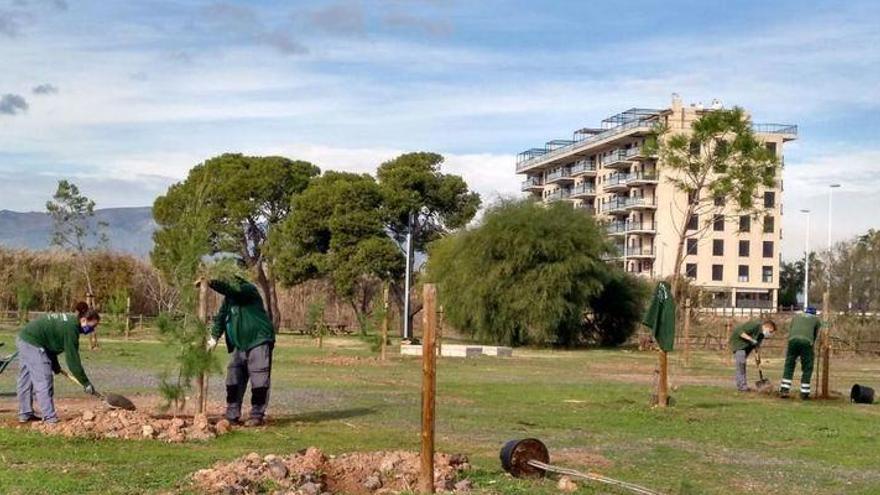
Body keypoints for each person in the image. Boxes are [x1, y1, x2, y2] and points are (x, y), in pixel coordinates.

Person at [207, 276, 275, 427]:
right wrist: (213, 338)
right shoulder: (228, 300)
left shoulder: (248, 290)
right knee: (233, 379)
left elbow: (233, 290)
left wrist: (211, 281)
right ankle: (232, 415)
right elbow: (220, 318)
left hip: (259, 340)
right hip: (240, 346)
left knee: (259, 380)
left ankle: (257, 415)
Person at [16, 302, 100, 424]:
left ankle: (25, 413)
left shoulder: (70, 322)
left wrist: (55, 364)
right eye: (92, 326)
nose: (92, 330)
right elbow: (73, 361)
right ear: (83, 320)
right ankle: (50, 418)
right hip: (33, 343)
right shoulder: (71, 329)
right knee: (44, 379)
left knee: (26, 379)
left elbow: (51, 341)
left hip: (25, 338)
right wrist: (85, 383)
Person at [780, 307, 823, 399]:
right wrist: (812, 344)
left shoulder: (796, 317)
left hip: (792, 340)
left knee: (789, 365)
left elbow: (791, 329)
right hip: (806, 342)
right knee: (807, 366)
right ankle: (804, 393)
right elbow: (815, 334)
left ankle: (784, 389)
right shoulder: (816, 319)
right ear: (814, 313)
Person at [729, 319, 776, 392]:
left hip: (747, 346)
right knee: (741, 364)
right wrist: (751, 339)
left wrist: (757, 359)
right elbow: (739, 332)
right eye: (770, 332)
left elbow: (757, 347)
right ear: (767, 327)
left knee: (742, 365)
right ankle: (742, 387)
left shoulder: (761, 335)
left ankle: (742, 386)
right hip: (738, 344)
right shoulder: (755, 325)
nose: (770, 334)